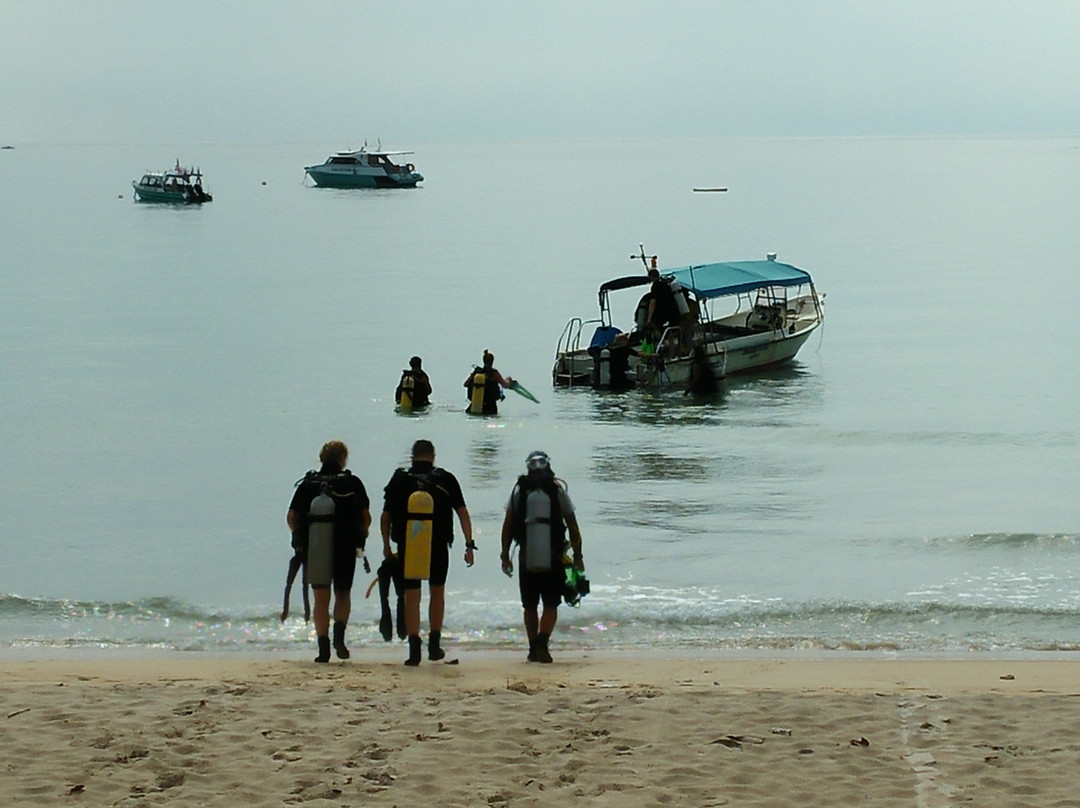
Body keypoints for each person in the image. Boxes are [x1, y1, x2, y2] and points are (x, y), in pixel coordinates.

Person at [380, 439, 475, 665]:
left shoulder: (400, 479)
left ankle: (414, 650)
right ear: (433, 456)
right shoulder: (446, 478)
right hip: (438, 543)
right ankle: (434, 645)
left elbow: (385, 517)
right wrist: (469, 544)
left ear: (412, 456)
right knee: (437, 592)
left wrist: (386, 546)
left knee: (411, 595)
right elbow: (462, 513)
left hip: (409, 544)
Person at [287, 440, 372, 663]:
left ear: (321, 458)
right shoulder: (352, 482)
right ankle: (339, 638)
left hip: (315, 547)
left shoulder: (308, 484)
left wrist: (300, 538)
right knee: (342, 594)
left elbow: (292, 517)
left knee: (320, 598)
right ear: (343, 458)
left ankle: (323, 649)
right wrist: (361, 537)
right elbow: (366, 517)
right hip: (344, 547)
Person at [500, 451, 584, 663]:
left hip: (526, 555)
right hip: (554, 555)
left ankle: (532, 647)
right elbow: (573, 525)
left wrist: (504, 555)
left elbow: (508, 525)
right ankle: (542, 645)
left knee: (529, 605)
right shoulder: (557, 491)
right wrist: (578, 555)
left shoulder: (519, 491)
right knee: (551, 604)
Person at [463, 349, 513, 415]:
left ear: (483, 360)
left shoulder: (477, 372)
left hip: (475, 405)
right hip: (490, 408)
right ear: (492, 361)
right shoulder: (494, 373)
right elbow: (505, 385)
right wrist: (509, 380)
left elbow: (465, 384)